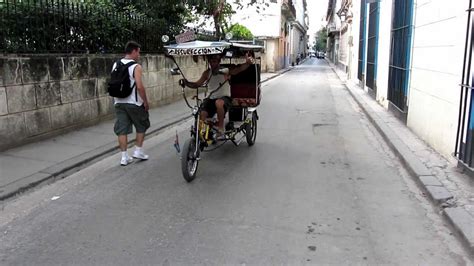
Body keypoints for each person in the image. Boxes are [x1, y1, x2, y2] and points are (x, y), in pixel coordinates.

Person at [182, 53, 254, 137]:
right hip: (210, 99)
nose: (213, 64)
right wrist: (186, 83)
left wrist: (247, 63)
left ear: (219, 62)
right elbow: (196, 84)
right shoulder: (207, 73)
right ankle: (201, 134)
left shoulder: (225, 71)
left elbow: (239, 69)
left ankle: (221, 127)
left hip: (225, 99)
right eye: (211, 62)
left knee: (219, 102)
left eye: (215, 61)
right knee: (202, 113)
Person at [113, 41, 150, 166]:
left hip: (118, 102)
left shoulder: (116, 64)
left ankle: (124, 157)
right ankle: (138, 151)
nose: (139, 54)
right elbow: (140, 87)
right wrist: (145, 101)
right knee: (142, 125)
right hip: (134, 103)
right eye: (138, 51)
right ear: (134, 51)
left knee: (122, 129)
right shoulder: (136, 67)